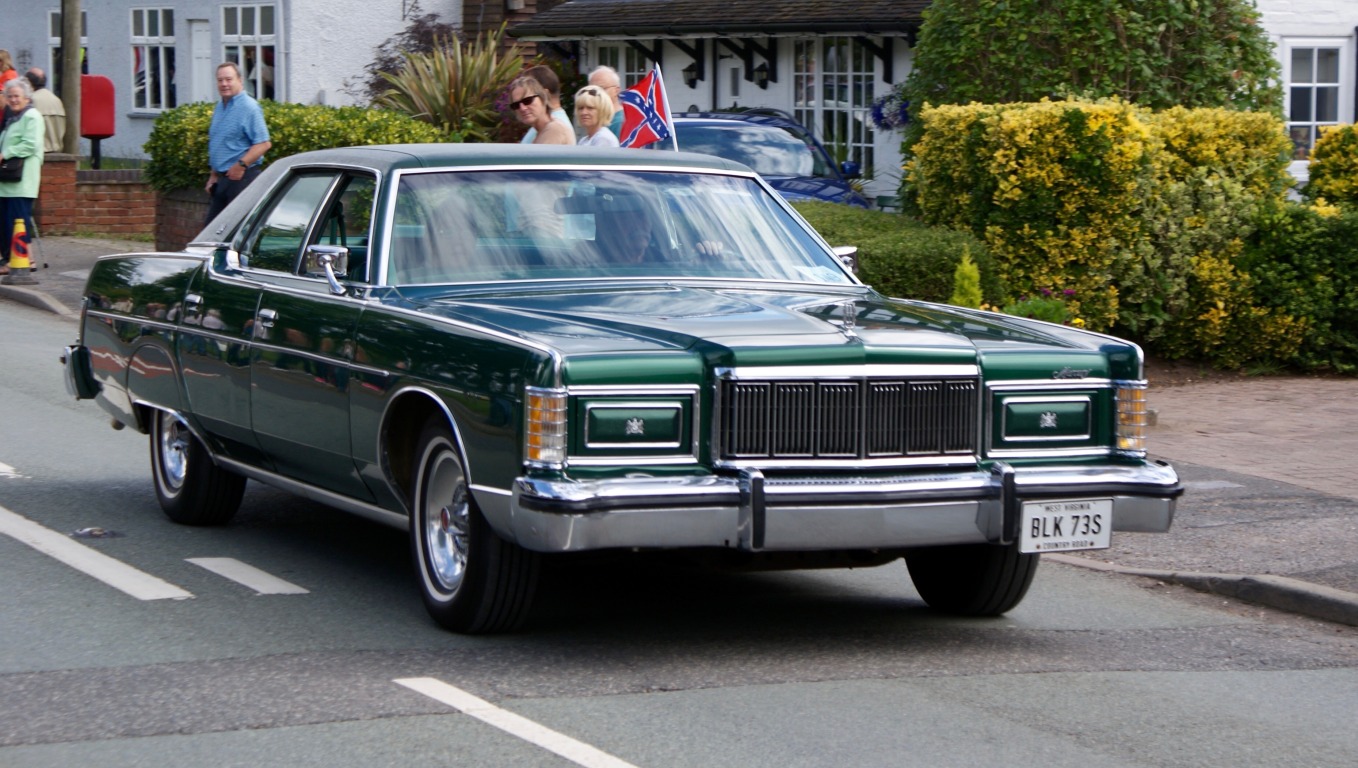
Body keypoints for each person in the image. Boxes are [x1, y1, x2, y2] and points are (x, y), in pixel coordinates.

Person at [205, 61, 271, 224]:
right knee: (212, 232)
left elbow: (263, 143)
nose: (224, 84)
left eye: (229, 79)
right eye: (220, 80)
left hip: (242, 179)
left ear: (240, 80)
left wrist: (241, 165)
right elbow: (219, 142)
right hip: (223, 179)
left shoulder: (249, 107)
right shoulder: (220, 107)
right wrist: (213, 175)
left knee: (233, 231)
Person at [0, 78, 44, 276]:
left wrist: (4, 154)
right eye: (10, 96)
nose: (13, 100)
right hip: (7, 181)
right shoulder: (14, 118)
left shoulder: (32, 116)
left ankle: (21, 261)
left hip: (22, 180)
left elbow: (30, 144)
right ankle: (16, 260)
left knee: (17, 220)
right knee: (7, 222)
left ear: (27, 97)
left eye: (17, 96)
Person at [508, 76, 572, 146]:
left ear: (542, 98)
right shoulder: (539, 132)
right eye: (516, 105)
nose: (522, 108)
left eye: (527, 100)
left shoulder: (554, 129)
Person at [24, 69, 65, 154]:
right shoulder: (56, 100)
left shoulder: (30, 100)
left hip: (37, 150)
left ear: (28, 83)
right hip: (56, 149)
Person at [588, 66, 625, 137]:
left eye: (601, 88)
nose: (596, 93)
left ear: (616, 91)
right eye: (592, 90)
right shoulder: (598, 119)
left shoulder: (620, 123)